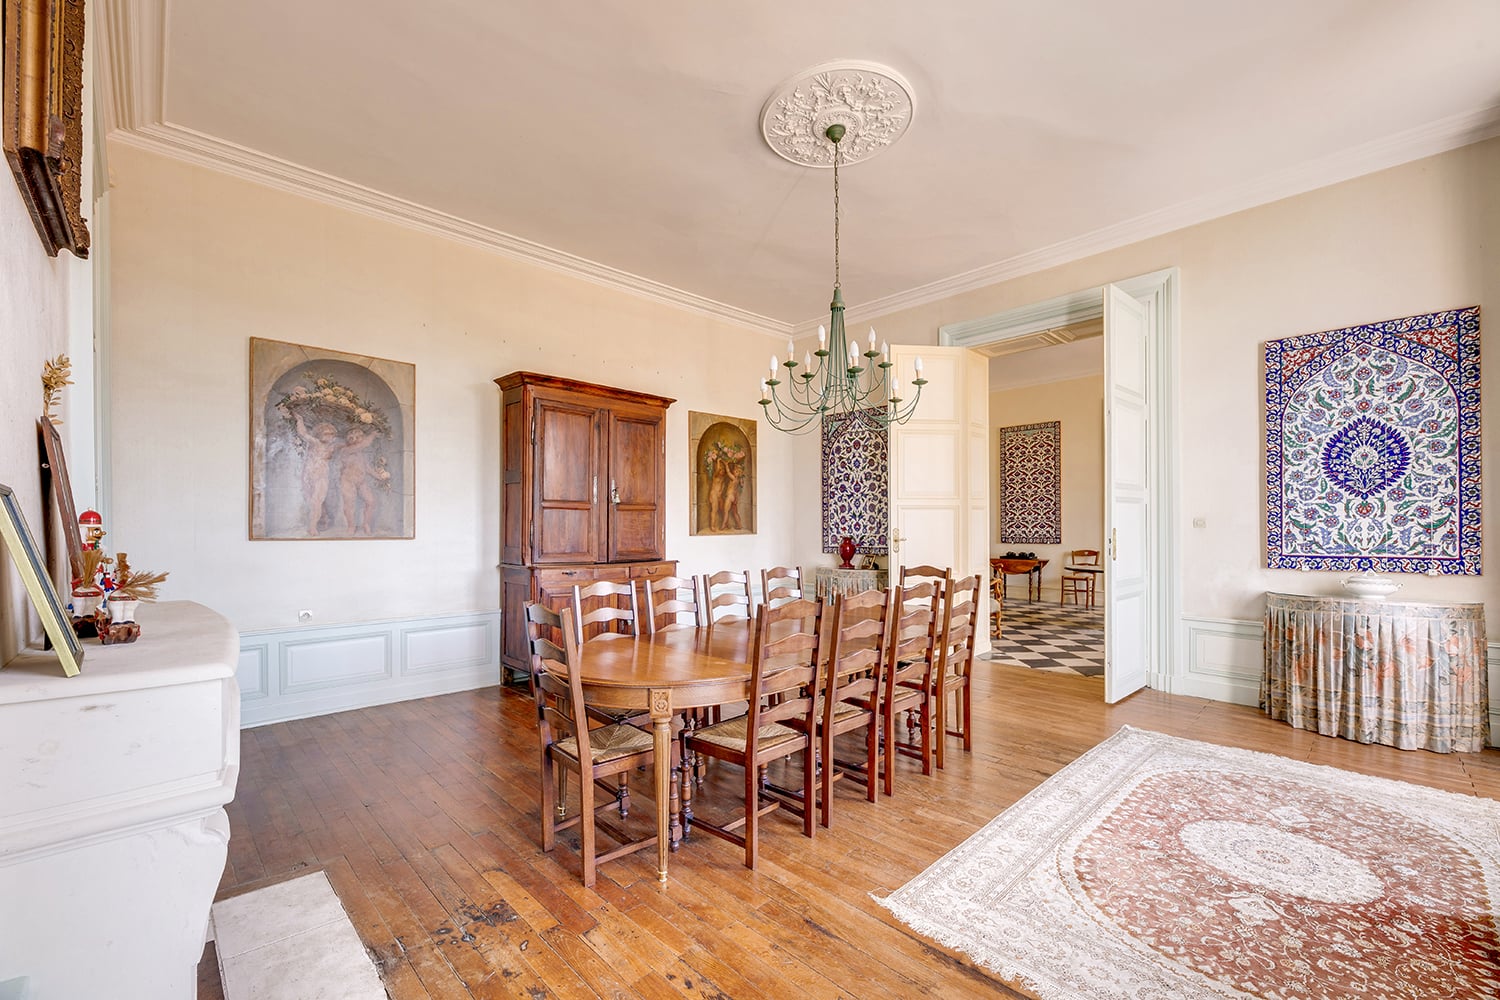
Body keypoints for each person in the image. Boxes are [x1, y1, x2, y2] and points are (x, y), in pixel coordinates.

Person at [290, 411, 343, 536]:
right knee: (311, 500)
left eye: (331, 434)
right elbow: (302, 433)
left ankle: (312, 527)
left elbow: (346, 444)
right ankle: (324, 518)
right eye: (326, 433)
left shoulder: (332, 446)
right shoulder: (315, 442)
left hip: (321, 476)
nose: (329, 436)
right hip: (308, 475)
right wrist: (300, 420)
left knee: (316, 501)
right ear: (319, 434)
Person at [339, 426, 380, 535]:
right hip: (348, 481)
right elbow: (364, 445)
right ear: (348, 439)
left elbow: (366, 468)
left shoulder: (360, 453)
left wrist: (378, 476)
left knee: (371, 501)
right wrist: (372, 435)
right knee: (349, 504)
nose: (355, 439)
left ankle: (366, 523)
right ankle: (351, 526)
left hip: (361, 481)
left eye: (358, 437)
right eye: (352, 437)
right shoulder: (346, 450)